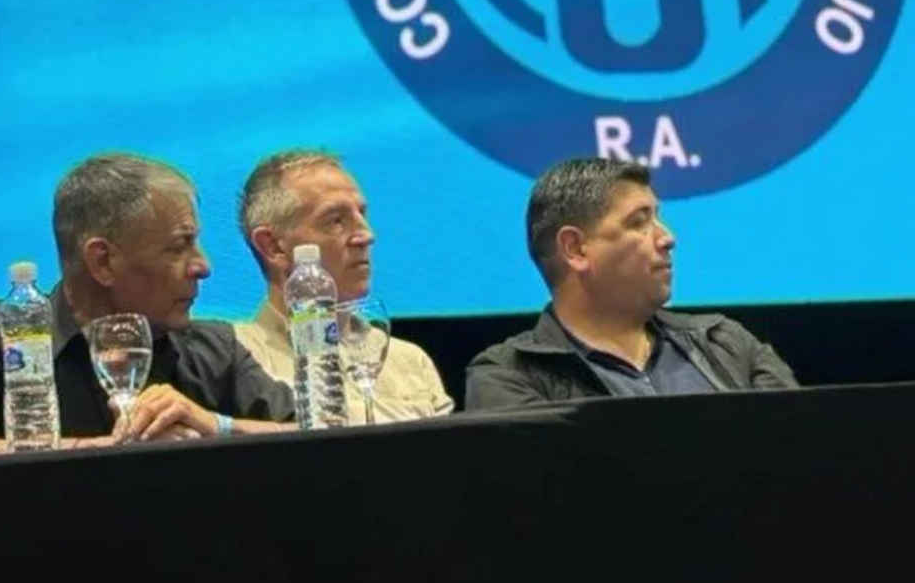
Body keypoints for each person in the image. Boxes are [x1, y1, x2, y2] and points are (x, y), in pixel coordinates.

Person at [0, 153, 293, 458]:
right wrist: (105, 453)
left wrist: (217, 425)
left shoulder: (215, 350)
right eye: (179, 246)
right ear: (102, 261)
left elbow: (315, 433)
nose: (203, 266)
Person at [465, 157, 797, 410]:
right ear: (575, 249)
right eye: (639, 222)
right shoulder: (508, 376)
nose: (667, 237)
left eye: (657, 218)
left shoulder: (726, 342)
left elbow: (799, 449)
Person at [235, 149, 453, 422]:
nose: (366, 235)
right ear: (273, 246)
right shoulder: (239, 360)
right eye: (336, 220)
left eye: (362, 214)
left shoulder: (409, 361)